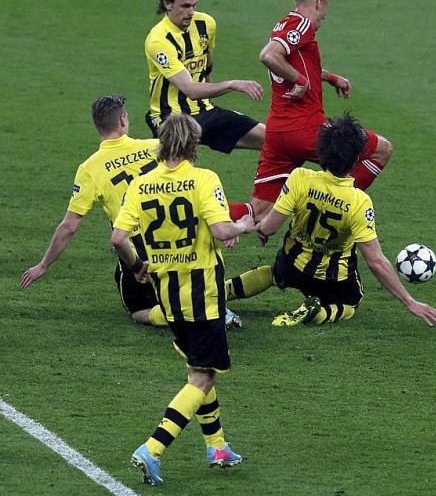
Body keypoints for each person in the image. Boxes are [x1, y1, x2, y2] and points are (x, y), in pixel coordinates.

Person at [20, 94, 265, 329]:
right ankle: (220, 294)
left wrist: (43, 265)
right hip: (183, 240)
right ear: (123, 120)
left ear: (98, 126)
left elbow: (70, 226)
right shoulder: (157, 147)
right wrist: (224, 222)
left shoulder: (89, 169)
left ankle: (190, 312)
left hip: (139, 253)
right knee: (191, 280)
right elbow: (193, 186)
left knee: (137, 311)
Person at [111, 113, 255, 486]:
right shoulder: (204, 179)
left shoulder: (141, 186)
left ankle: (218, 447)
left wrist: (137, 265)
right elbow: (223, 230)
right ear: (194, 145)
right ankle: (153, 448)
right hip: (204, 293)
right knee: (202, 377)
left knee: (199, 370)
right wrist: (245, 225)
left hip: (167, 296)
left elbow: (117, 238)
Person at [253, 112, 436, 328]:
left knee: (273, 274)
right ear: (355, 159)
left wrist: (260, 228)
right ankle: (316, 314)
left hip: (291, 264)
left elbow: (269, 227)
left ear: (320, 151)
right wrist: (409, 302)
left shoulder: (299, 177)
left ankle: (223, 290)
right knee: (351, 302)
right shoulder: (359, 201)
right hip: (333, 279)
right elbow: (375, 261)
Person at [227, 0, 393, 222]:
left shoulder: (284, 25)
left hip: (277, 134)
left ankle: (199, 215)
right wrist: (301, 81)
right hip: (306, 129)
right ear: (318, 3)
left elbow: (294, 62)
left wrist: (329, 77)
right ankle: (333, 212)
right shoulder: (302, 24)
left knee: (259, 211)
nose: (322, 21)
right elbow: (269, 55)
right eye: (324, 15)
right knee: (382, 150)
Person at [145, 0, 266, 154]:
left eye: (194, 5)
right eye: (185, 6)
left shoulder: (206, 24)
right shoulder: (159, 40)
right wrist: (232, 84)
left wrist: (209, 92)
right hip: (171, 118)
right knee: (177, 170)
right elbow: (190, 90)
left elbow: (206, 63)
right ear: (167, 4)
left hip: (204, 110)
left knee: (272, 139)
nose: (192, 12)